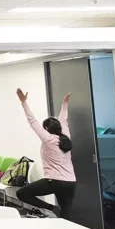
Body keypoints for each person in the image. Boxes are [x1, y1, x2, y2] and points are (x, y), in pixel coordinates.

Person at [15, 89, 75, 219]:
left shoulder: (48, 139)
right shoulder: (66, 137)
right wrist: (64, 104)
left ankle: (51, 208)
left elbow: (32, 121)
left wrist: (23, 102)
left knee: (22, 194)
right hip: (70, 182)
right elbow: (63, 120)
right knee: (66, 215)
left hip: (54, 181)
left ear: (46, 129)